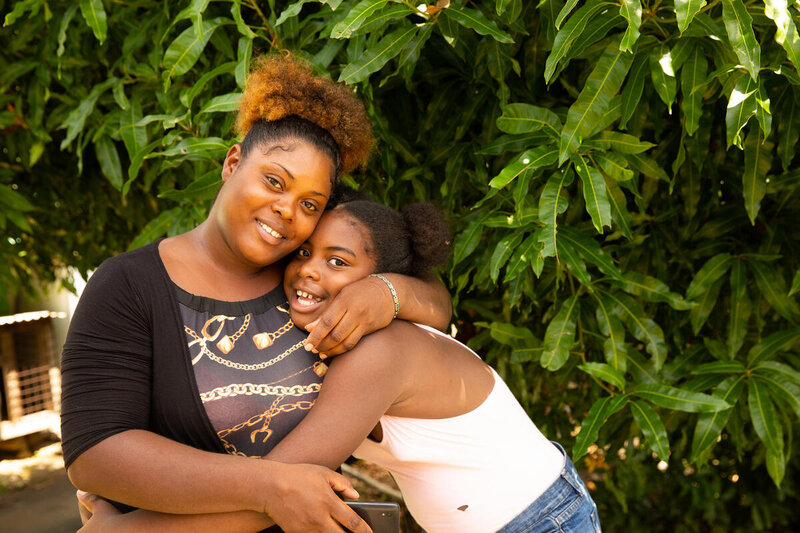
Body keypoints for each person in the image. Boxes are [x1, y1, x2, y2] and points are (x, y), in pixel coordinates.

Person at [61, 55, 452, 533]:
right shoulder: (129, 285)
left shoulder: (305, 273)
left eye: (310, 204)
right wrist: (269, 487)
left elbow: (434, 301)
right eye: (273, 181)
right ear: (231, 163)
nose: (287, 210)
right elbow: (96, 451)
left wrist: (386, 291)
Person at [77, 195, 602, 533]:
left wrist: (121, 531)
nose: (308, 272)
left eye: (338, 262)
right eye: (303, 253)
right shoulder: (329, 339)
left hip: (541, 520)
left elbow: (278, 486)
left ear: (382, 278)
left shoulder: (382, 352)